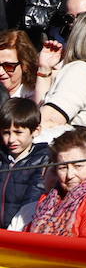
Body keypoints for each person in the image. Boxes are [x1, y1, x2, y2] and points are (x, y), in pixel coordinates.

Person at [0, 98, 50, 228]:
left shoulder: (43, 159)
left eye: (18, 132)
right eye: (6, 133)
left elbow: (32, 199)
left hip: (20, 231)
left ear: (36, 130)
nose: (11, 139)